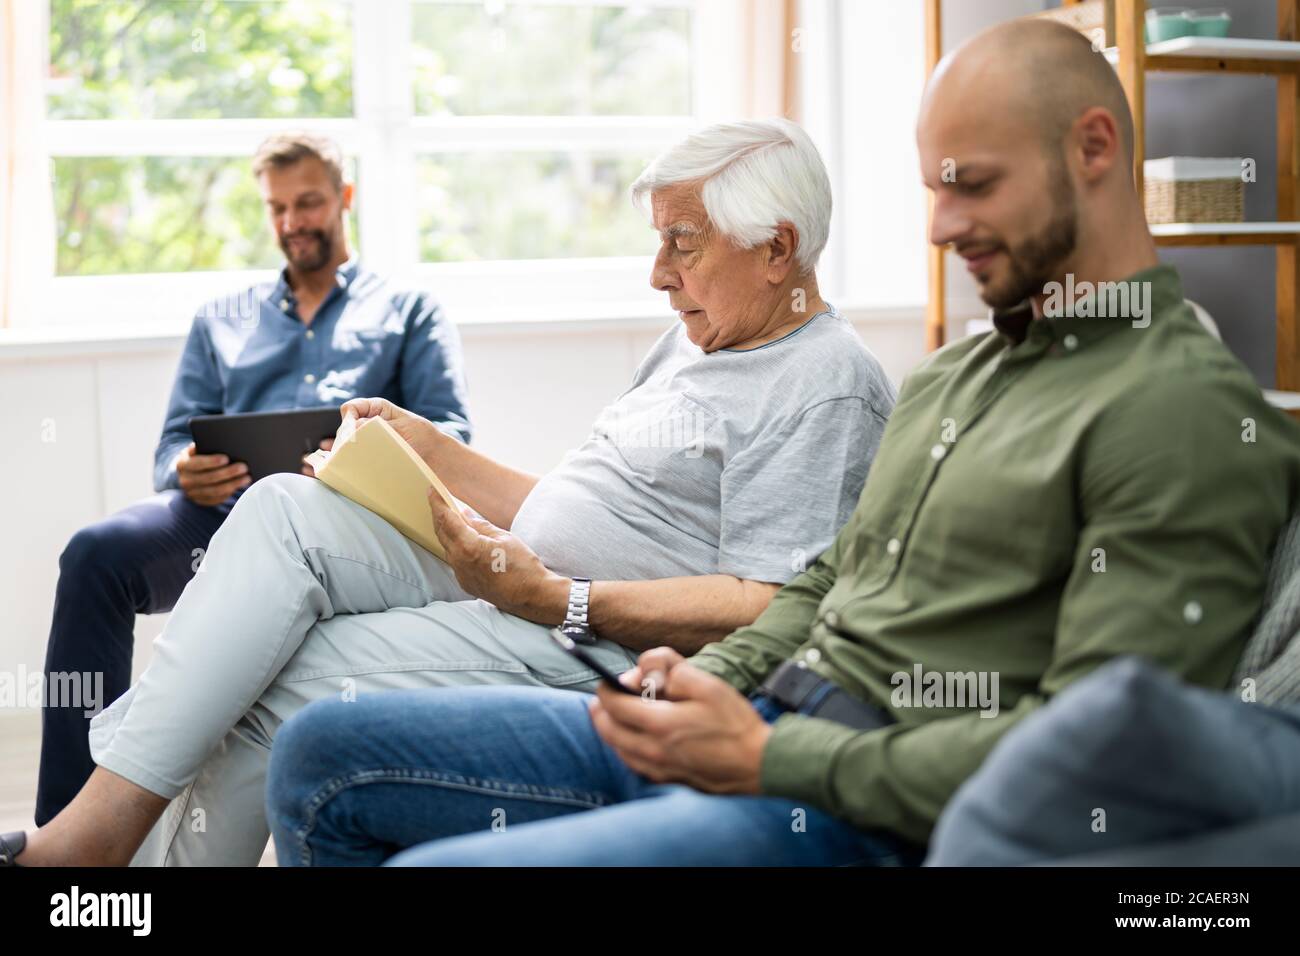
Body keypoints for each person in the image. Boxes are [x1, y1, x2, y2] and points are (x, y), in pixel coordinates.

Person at [257, 19, 1300, 867]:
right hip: (752, 717)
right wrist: (695, 683)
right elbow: (819, 583)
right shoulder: (952, 377)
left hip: (857, 805)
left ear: (1093, 149)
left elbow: (1095, 756)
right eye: (932, 188)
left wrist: (774, 755)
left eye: (971, 184)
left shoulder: (1178, 410)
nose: (937, 225)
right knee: (318, 752)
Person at [2, 118, 895, 866]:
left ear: (778, 248)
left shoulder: (825, 384)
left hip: (592, 639)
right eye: (658, 241)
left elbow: (771, 607)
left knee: (279, 678)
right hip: (529, 580)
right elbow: (587, 503)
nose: (659, 274)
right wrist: (430, 450)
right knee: (281, 510)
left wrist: (559, 596)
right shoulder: (701, 338)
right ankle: (96, 838)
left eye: (682, 244)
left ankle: (90, 854)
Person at [33, 132, 470, 826]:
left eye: (309, 203)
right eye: (277, 208)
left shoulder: (410, 312)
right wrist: (186, 470)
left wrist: (356, 453)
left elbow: (453, 437)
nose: (293, 223)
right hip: (220, 518)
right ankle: (69, 827)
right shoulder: (224, 319)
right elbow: (173, 445)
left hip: (346, 522)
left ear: (344, 197)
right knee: (94, 554)